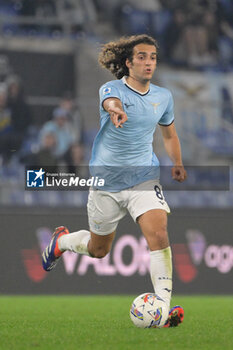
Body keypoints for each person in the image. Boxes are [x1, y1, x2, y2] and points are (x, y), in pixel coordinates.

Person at [42, 34, 187, 328]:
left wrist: (178, 163)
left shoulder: (164, 97)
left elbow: (169, 135)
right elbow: (111, 100)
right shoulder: (111, 88)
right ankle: (63, 241)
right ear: (128, 62)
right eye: (142, 57)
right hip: (106, 183)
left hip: (144, 178)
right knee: (98, 250)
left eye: (153, 58)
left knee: (158, 233)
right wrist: (115, 109)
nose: (149, 63)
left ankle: (161, 309)